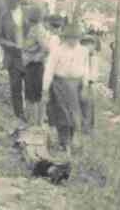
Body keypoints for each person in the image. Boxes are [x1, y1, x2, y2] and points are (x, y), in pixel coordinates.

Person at [42, 22, 94, 155]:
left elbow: (86, 69)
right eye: (70, 38)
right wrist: (46, 89)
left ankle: (72, 141)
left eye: (76, 38)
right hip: (60, 84)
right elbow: (49, 70)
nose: (73, 41)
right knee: (62, 114)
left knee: (76, 115)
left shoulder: (83, 51)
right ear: (65, 38)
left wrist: (85, 86)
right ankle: (64, 142)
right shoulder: (57, 50)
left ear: (79, 38)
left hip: (76, 85)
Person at [0, 0, 28, 121]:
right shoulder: (4, 16)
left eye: (12, 1)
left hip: (29, 57)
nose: (10, 4)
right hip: (12, 57)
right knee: (15, 87)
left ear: (18, 1)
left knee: (31, 87)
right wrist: (11, 45)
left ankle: (32, 115)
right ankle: (19, 115)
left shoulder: (28, 14)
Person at [20, 9, 52, 126]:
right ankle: (32, 121)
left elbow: (47, 49)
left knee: (34, 95)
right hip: (30, 65)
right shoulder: (35, 28)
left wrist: (36, 58)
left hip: (35, 66)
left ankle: (36, 122)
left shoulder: (38, 29)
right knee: (30, 94)